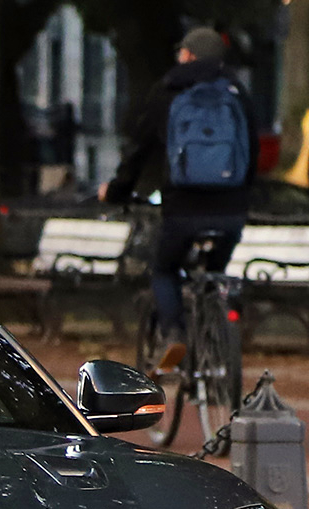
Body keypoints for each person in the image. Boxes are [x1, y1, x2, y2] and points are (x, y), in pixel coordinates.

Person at [100, 28, 256, 365]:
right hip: (230, 211)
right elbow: (251, 152)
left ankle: (173, 335)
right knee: (214, 271)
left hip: (182, 208)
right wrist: (243, 198)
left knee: (165, 271)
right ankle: (217, 328)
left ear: (188, 55)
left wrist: (117, 191)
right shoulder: (237, 92)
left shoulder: (168, 90)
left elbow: (139, 150)